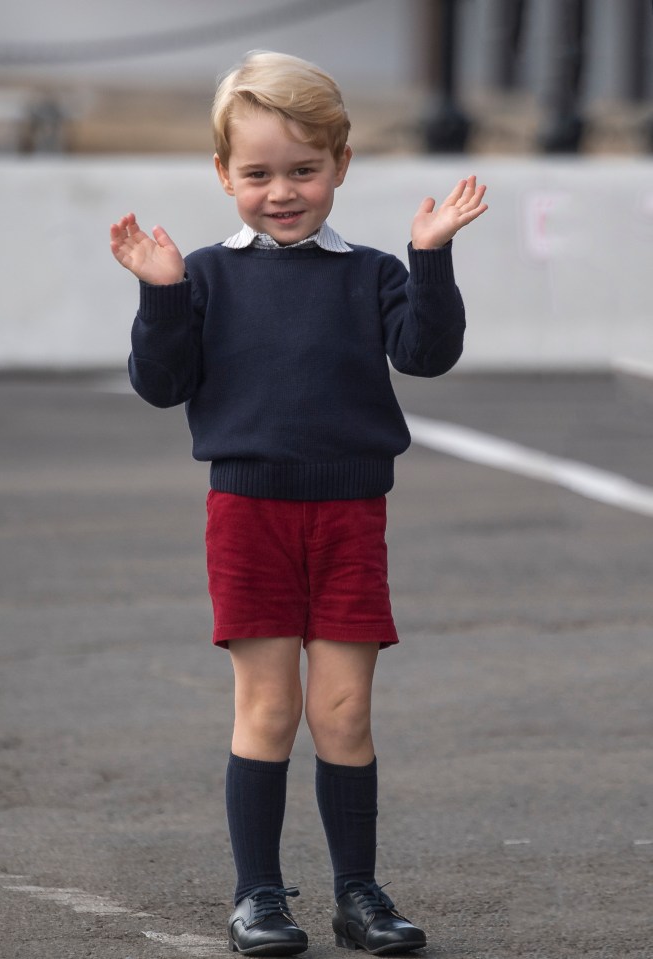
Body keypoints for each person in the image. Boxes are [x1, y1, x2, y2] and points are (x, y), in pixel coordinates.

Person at [110, 50, 487, 957]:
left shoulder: (370, 274)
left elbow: (426, 356)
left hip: (352, 513)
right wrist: (159, 292)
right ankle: (259, 897)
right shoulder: (201, 274)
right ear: (222, 175)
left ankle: (357, 895)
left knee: (345, 714)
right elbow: (161, 385)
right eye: (258, 173)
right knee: (268, 710)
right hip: (248, 516)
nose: (282, 191)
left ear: (341, 164)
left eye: (303, 170)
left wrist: (427, 260)